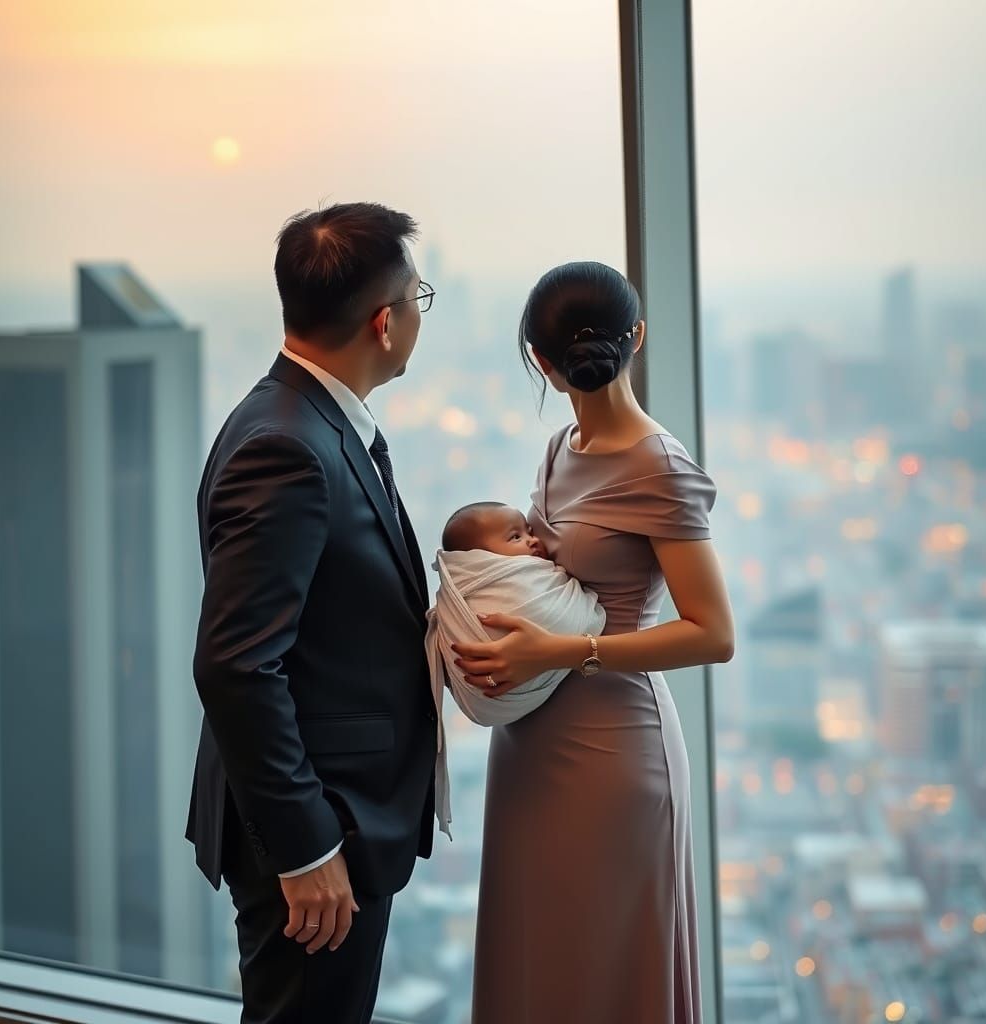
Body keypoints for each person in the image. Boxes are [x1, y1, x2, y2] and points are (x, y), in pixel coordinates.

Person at [456, 261, 735, 1023]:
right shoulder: (557, 449)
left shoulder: (660, 467)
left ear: (541, 363)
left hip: (615, 746)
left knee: (607, 965)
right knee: (538, 957)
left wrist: (562, 653)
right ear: (636, 337)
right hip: (532, 745)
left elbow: (713, 633)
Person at [186, 202, 440, 1024]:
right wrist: (308, 847)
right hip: (316, 831)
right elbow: (235, 663)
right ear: (384, 323)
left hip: (333, 816)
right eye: (415, 298)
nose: (414, 314)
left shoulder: (305, 419)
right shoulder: (286, 447)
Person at [425, 502, 606, 733]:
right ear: (478, 559)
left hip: (574, 716)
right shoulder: (481, 588)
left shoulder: (530, 579)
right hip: (515, 727)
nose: (533, 540)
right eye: (515, 537)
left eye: (529, 531)